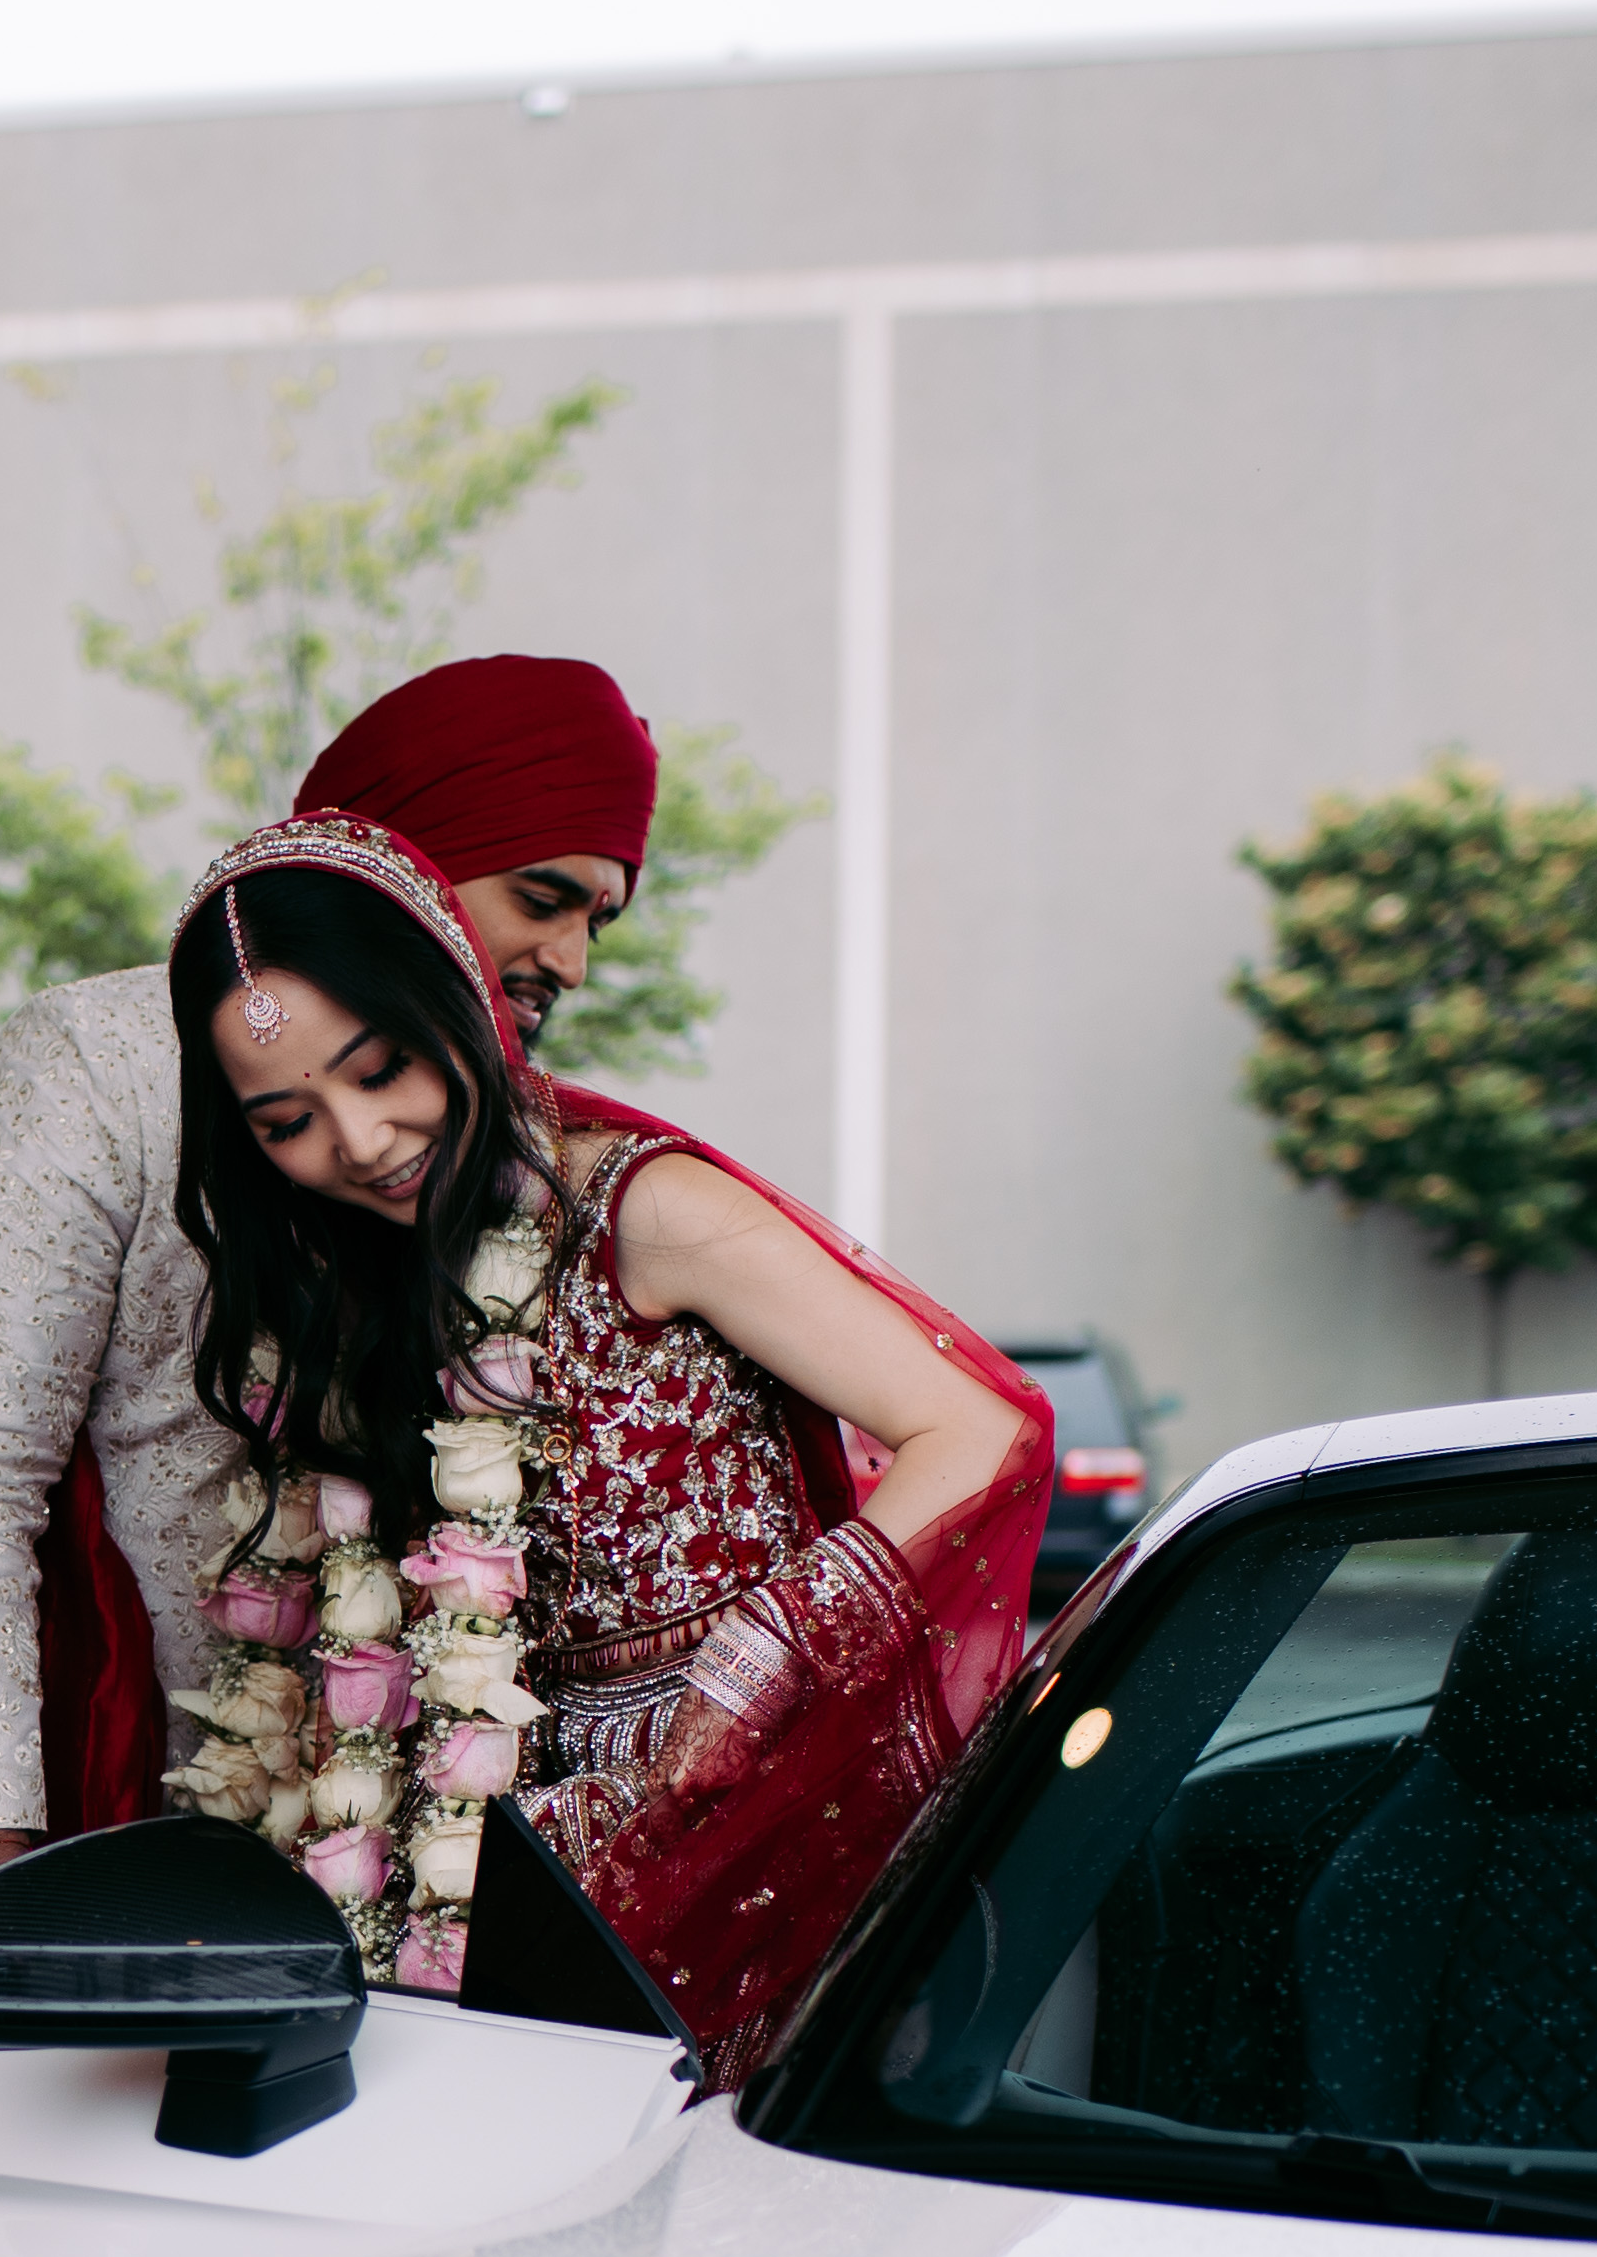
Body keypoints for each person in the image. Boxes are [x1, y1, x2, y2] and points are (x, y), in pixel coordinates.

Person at [0, 652, 664, 1878]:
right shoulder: (102, 1059)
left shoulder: (510, 1142)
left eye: (598, 920)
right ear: (409, 851)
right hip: (38, 1790)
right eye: (544, 898)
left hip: (323, 1845)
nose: (572, 960)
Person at [163, 806, 1049, 2074]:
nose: (358, 1141)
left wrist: (749, 1676)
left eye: (379, 1068)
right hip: (533, 1867)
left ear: (455, 1006)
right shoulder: (357, 1293)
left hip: (759, 1810)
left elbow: (980, 1427)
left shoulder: (644, 1209)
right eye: (285, 1121)